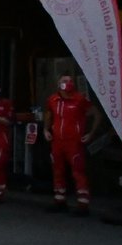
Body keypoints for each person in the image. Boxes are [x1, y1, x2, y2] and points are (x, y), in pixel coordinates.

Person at [44, 73, 96, 215]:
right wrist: (45, 129)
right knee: (58, 170)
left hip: (74, 142)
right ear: (59, 84)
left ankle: (83, 204)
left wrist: (90, 133)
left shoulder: (80, 99)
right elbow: (48, 114)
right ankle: (59, 200)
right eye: (65, 80)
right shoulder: (53, 99)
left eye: (70, 80)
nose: (68, 82)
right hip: (57, 141)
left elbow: (96, 114)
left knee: (78, 171)